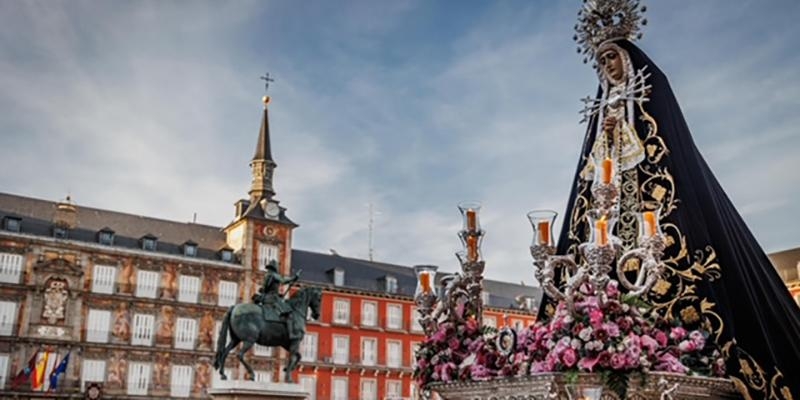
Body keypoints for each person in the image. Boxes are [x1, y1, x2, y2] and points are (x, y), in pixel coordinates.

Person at [541, 2, 800, 398]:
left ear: (627, 59)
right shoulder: (599, 112)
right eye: (602, 60)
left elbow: (662, 145)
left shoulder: (649, 96)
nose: (608, 66)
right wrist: (605, 136)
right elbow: (594, 169)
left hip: (651, 202)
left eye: (613, 57)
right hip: (607, 215)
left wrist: (625, 124)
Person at [253, 261, 301, 336]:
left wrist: (279, 295)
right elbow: (283, 281)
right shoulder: (274, 275)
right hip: (273, 299)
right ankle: (291, 333)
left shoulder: (267, 275)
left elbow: (266, 289)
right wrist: (294, 277)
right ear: (275, 268)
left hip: (266, 298)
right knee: (289, 312)